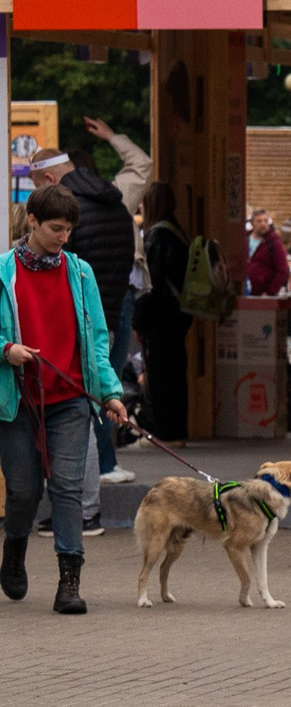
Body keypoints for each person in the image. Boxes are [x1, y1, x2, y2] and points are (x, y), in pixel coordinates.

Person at [2, 184, 130, 614]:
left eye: (69, 230)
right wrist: (6, 350)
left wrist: (110, 391)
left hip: (70, 398)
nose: (63, 237)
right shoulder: (3, 270)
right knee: (22, 492)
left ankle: (69, 582)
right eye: (56, 228)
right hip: (17, 399)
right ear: (32, 221)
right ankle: (15, 551)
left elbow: (96, 340)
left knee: (68, 488)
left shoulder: (80, 272)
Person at [43, 146, 138, 489]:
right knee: (105, 395)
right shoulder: (115, 203)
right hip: (115, 307)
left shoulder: (71, 214)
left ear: (50, 179)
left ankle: (85, 499)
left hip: (82, 318)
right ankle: (105, 468)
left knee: (81, 407)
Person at [134, 181, 193, 441]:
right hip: (179, 311)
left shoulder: (156, 236)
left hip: (160, 316)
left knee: (160, 375)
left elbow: (151, 284)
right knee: (176, 373)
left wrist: (139, 320)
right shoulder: (178, 232)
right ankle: (177, 428)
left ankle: (164, 431)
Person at [243, 208, 290, 297]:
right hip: (246, 294)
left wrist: (270, 293)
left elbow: (282, 271)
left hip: (264, 295)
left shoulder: (274, 243)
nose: (263, 224)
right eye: (259, 221)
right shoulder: (244, 240)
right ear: (252, 223)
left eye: (265, 221)